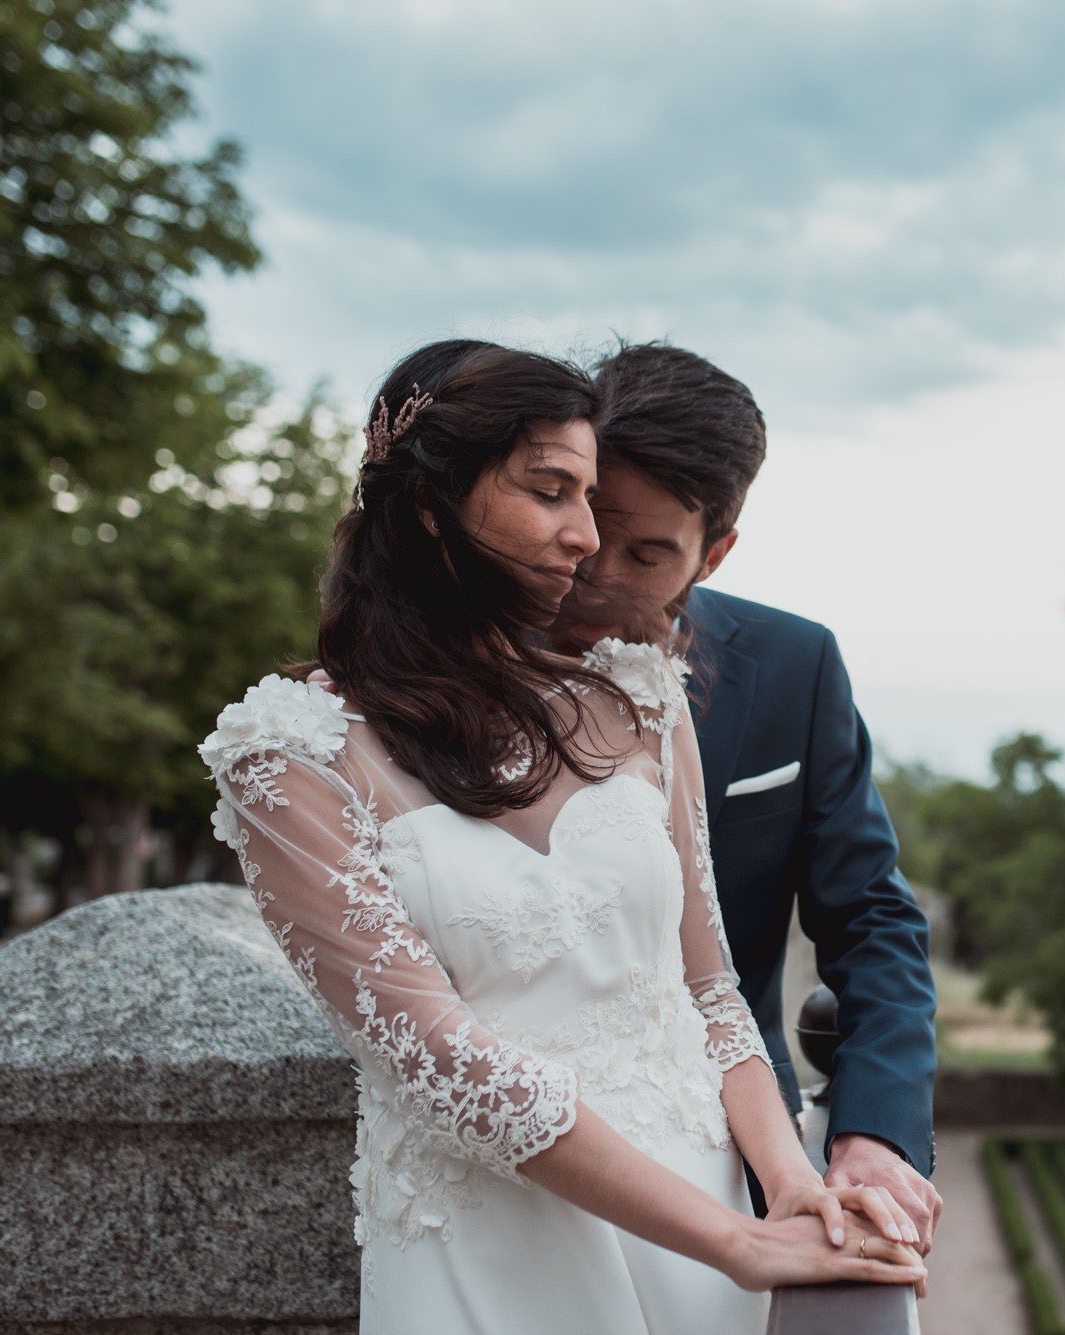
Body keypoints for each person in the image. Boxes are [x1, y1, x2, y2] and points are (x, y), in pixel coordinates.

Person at [202, 340, 925, 1335]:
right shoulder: (287, 751)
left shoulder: (644, 696)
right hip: (490, 1240)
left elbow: (718, 988)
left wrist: (794, 1182)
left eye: (614, 521)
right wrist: (741, 1242)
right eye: (554, 493)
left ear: (711, 555)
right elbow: (440, 1056)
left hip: (706, 1187)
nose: (585, 543)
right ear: (427, 504)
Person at [549, 343, 943, 1250]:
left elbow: (873, 917)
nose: (595, 571)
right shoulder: (439, 665)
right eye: (590, 523)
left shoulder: (797, 667)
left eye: (648, 552)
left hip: (741, 1149)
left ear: (713, 553)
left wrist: (874, 1134)